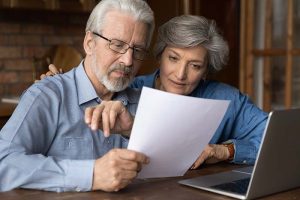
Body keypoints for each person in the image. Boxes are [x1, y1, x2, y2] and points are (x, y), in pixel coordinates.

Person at [43, 16, 267, 169]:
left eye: (195, 66)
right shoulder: (128, 90)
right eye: (173, 58)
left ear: (206, 70)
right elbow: (83, 128)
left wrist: (223, 151)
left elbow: (277, 141)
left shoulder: (226, 98)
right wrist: (63, 88)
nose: (180, 74)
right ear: (160, 55)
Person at [0, 0, 155, 192]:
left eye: (138, 50)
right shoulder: (47, 95)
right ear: (90, 43)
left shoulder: (147, 103)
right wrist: (92, 174)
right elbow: (3, 163)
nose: (128, 60)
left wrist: (133, 129)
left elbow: (177, 161)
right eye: (117, 45)